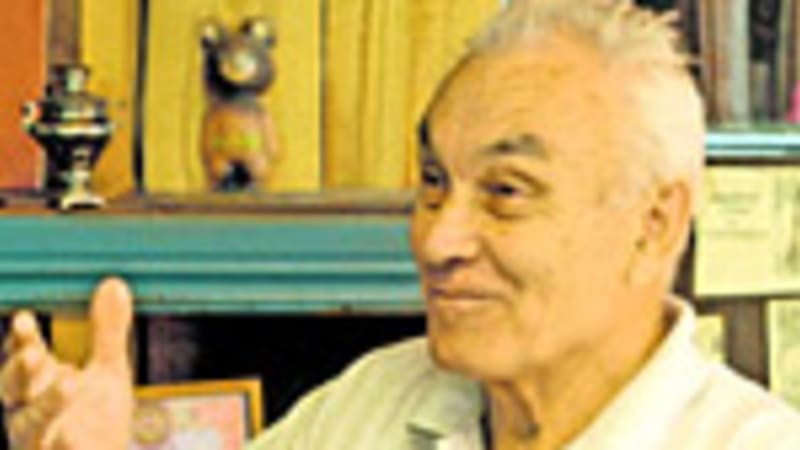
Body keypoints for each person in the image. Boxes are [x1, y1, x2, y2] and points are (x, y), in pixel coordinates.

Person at [3, 1, 800, 449]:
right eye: (433, 182)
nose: (437, 240)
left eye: (506, 192)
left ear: (654, 224)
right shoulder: (377, 404)